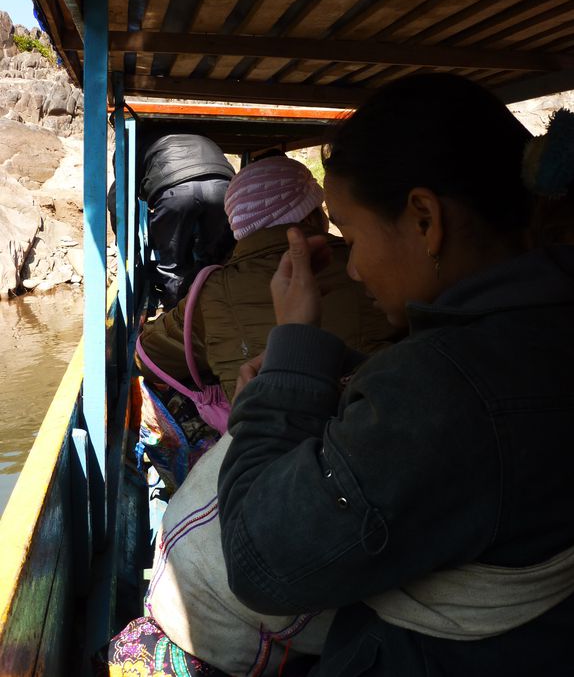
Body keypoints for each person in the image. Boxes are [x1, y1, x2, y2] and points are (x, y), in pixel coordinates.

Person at [217, 74, 574, 676]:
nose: (352, 268)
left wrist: (289, 361)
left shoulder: (443, 385)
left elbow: (259, 562)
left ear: (424, 220)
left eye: (351, 237)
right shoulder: (544, 326)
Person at [104, 156, 396, 676]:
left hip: (281, 482)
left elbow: (151, 352)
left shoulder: (212, 290)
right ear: (312, 218)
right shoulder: (379, 276)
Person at [136, 154, 396, 402]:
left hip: (265, 432)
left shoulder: (213, 291)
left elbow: (149, 357)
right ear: (308, 215)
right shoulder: (366, 264)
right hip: (372, 419)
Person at [138, 132, 236, 308]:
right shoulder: (204, 139)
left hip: (174, 190)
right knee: (214, 256)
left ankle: (177, 317)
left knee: (173, 265)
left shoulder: (137, 141)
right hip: (222, 188)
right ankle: (212, 306)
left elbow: (119, 195)